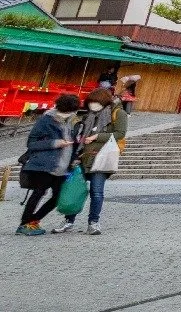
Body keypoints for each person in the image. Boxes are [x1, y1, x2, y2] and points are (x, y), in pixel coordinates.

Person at [54, 88, 126, 235]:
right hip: (83, 157)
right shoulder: (88, 116)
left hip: (101, 157)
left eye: (96, 102)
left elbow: (120, 133)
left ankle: (93, 222)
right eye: (91, 102)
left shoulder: (118, 113)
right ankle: (69, 221)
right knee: (75, 189)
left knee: (97, 192)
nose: (93, 105)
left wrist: (96, 137)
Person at [16, 93, 78, 235]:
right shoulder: (46, 120)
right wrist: (55, 143)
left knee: (58, 196)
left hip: (63, 166)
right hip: (45, 164)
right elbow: (31, 143)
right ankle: (24, 224)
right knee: (39, 193)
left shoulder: (73, 121)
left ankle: (33, 220)